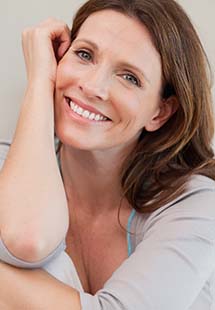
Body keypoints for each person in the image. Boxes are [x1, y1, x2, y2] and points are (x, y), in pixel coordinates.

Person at [0, 0, 215, 308]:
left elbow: (26, 241)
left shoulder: (195, 202)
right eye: (84, 54)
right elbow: (27, 238)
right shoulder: (7, 169)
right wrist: (39, 82)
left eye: (130, 77)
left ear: (160, 112)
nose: (92, 86)